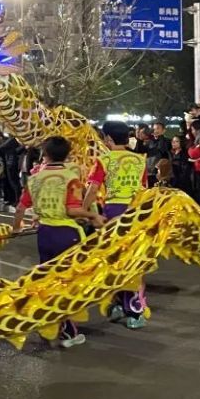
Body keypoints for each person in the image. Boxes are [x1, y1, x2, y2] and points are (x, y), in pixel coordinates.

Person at [14, 136, 105, 348]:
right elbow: (72, 210)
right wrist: (93, 216)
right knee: (68, 284)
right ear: (68, 155)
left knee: (48, 282)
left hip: (44, 234)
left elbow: (20, 208)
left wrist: (16, 228)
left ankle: (47, 325)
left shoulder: (35, 178)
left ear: (44, 154)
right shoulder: (71, 177)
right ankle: (68, 333)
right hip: (67, 235)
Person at [83, 121, 148, 328]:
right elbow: (144, 189)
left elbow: (92, 190)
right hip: (137, 213)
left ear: (108, 139)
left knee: (116, 262)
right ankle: (126, 305)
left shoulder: (104, 160)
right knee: (133, 261)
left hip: (114, 214)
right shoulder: (140, 160)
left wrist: (85, 212)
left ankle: (131, 309)